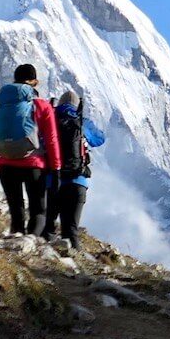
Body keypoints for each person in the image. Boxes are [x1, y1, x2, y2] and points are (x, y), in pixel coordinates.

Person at [0, 64, 61, 235]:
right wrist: (56, 168)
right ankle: (31, 246)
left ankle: (17, 249)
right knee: (38, 211)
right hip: (34, 166)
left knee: (16, 212)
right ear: (34, 82)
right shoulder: (42, 106)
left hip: (6, 166)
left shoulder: (2, 105)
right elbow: (51, 140)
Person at [43, 91, 105, 249]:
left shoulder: (51, 119)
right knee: (71, 230)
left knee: (48, 227)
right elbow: (100, 139)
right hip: (78, 183)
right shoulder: (81, 121)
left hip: (52, 181)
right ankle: (75, 269)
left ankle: (43, 258)